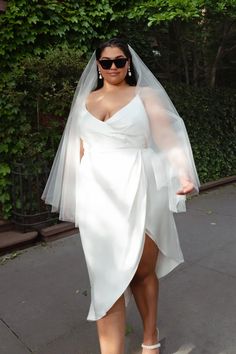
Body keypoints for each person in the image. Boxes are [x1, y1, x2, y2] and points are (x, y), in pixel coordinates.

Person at [42, 38, 200, 354]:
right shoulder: (86, 101)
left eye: (119, 61)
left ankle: (150, 342)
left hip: (140, 189)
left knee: (142, 272)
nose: (113, 67)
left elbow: (167, 136)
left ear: (128, 64)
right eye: (106, 62)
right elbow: (79, 151)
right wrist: (75, 197)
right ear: (98, 67)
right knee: (106, 282)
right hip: (97, 200)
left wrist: (182, 173)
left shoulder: (146, 96)